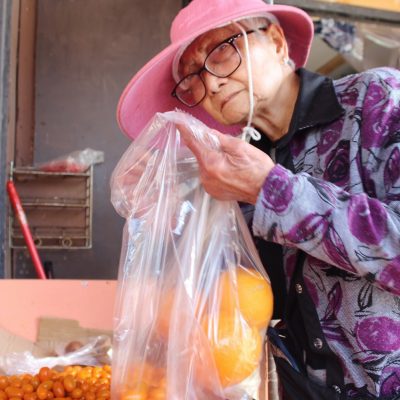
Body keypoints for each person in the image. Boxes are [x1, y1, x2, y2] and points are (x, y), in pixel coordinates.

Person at [116, 0, 400, 398]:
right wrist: (169, 215)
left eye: (222, 49)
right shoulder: (231, 169)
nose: (210, 83)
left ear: (278, 43)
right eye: (193, 77)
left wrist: (271, 191)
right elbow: (228, 299)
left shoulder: (378, 100)